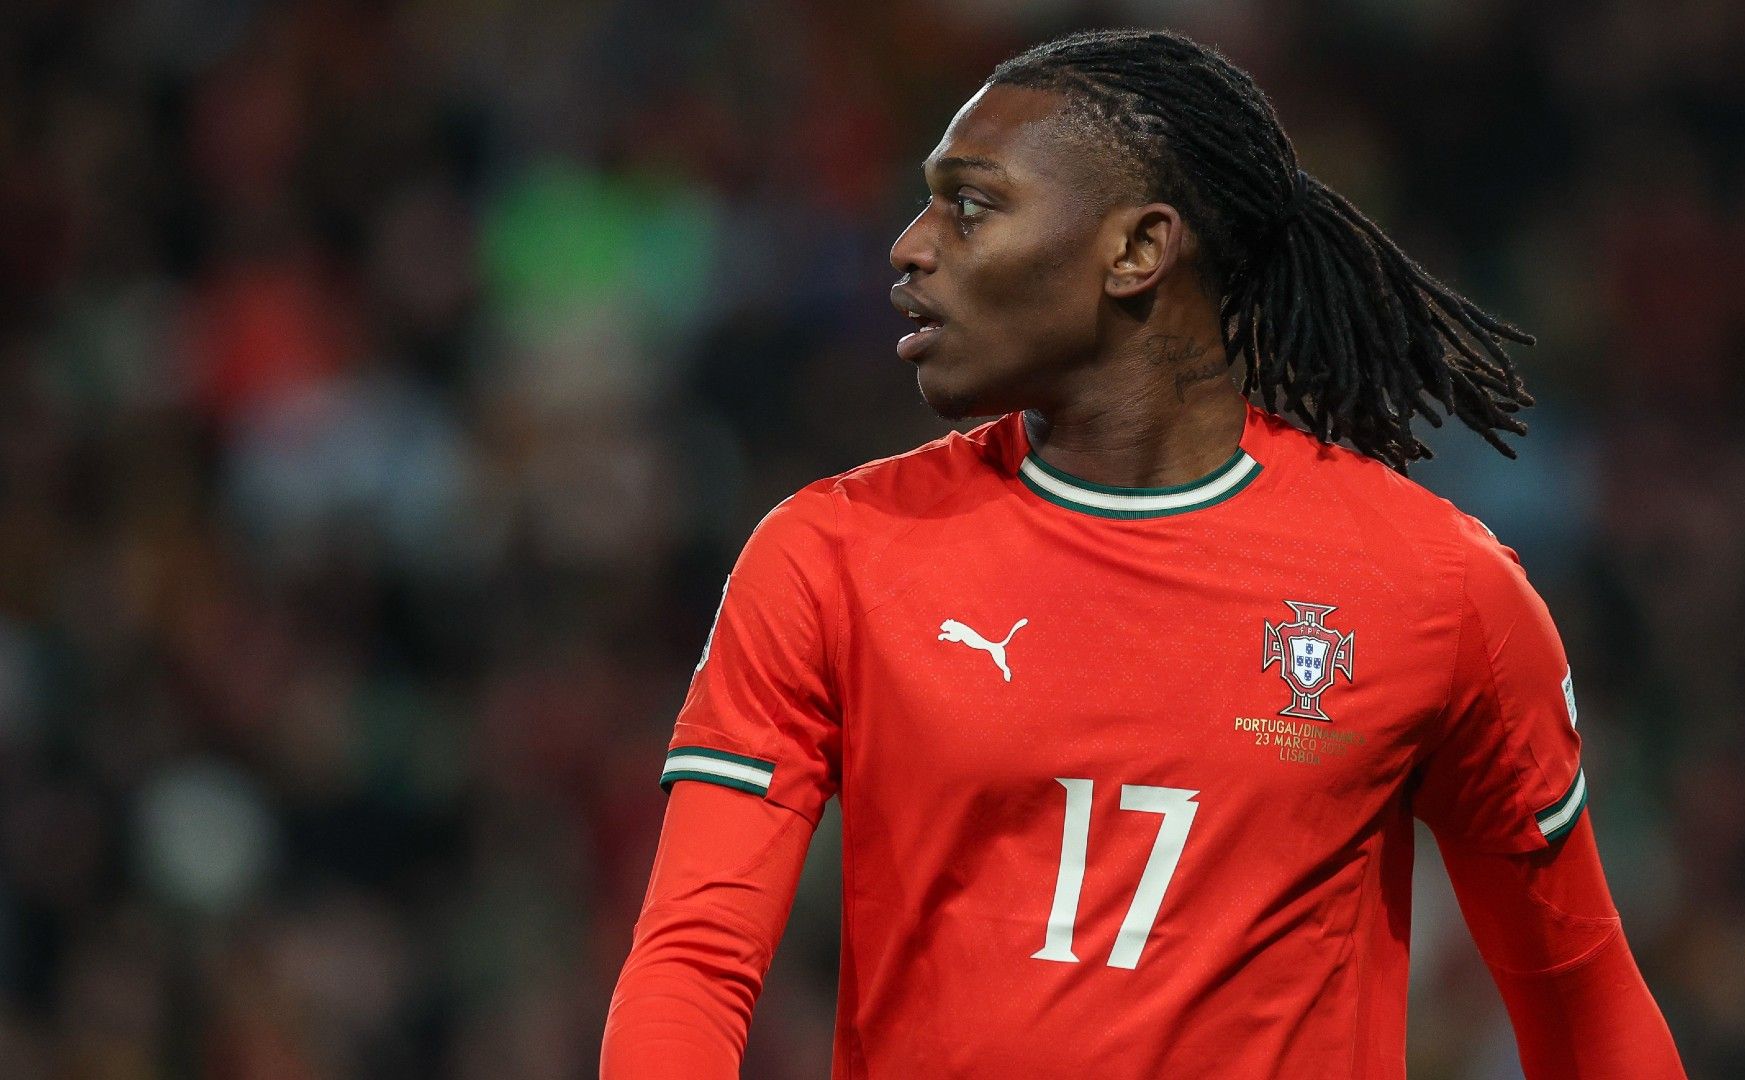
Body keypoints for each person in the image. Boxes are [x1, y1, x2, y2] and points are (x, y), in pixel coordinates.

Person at [602, 28, 1686, 1079]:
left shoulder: (1438, 588)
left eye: (970, 205)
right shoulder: (829, 556)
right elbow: (694, 962)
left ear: (1136, 250)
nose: (911, 245)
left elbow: (1580, 995)